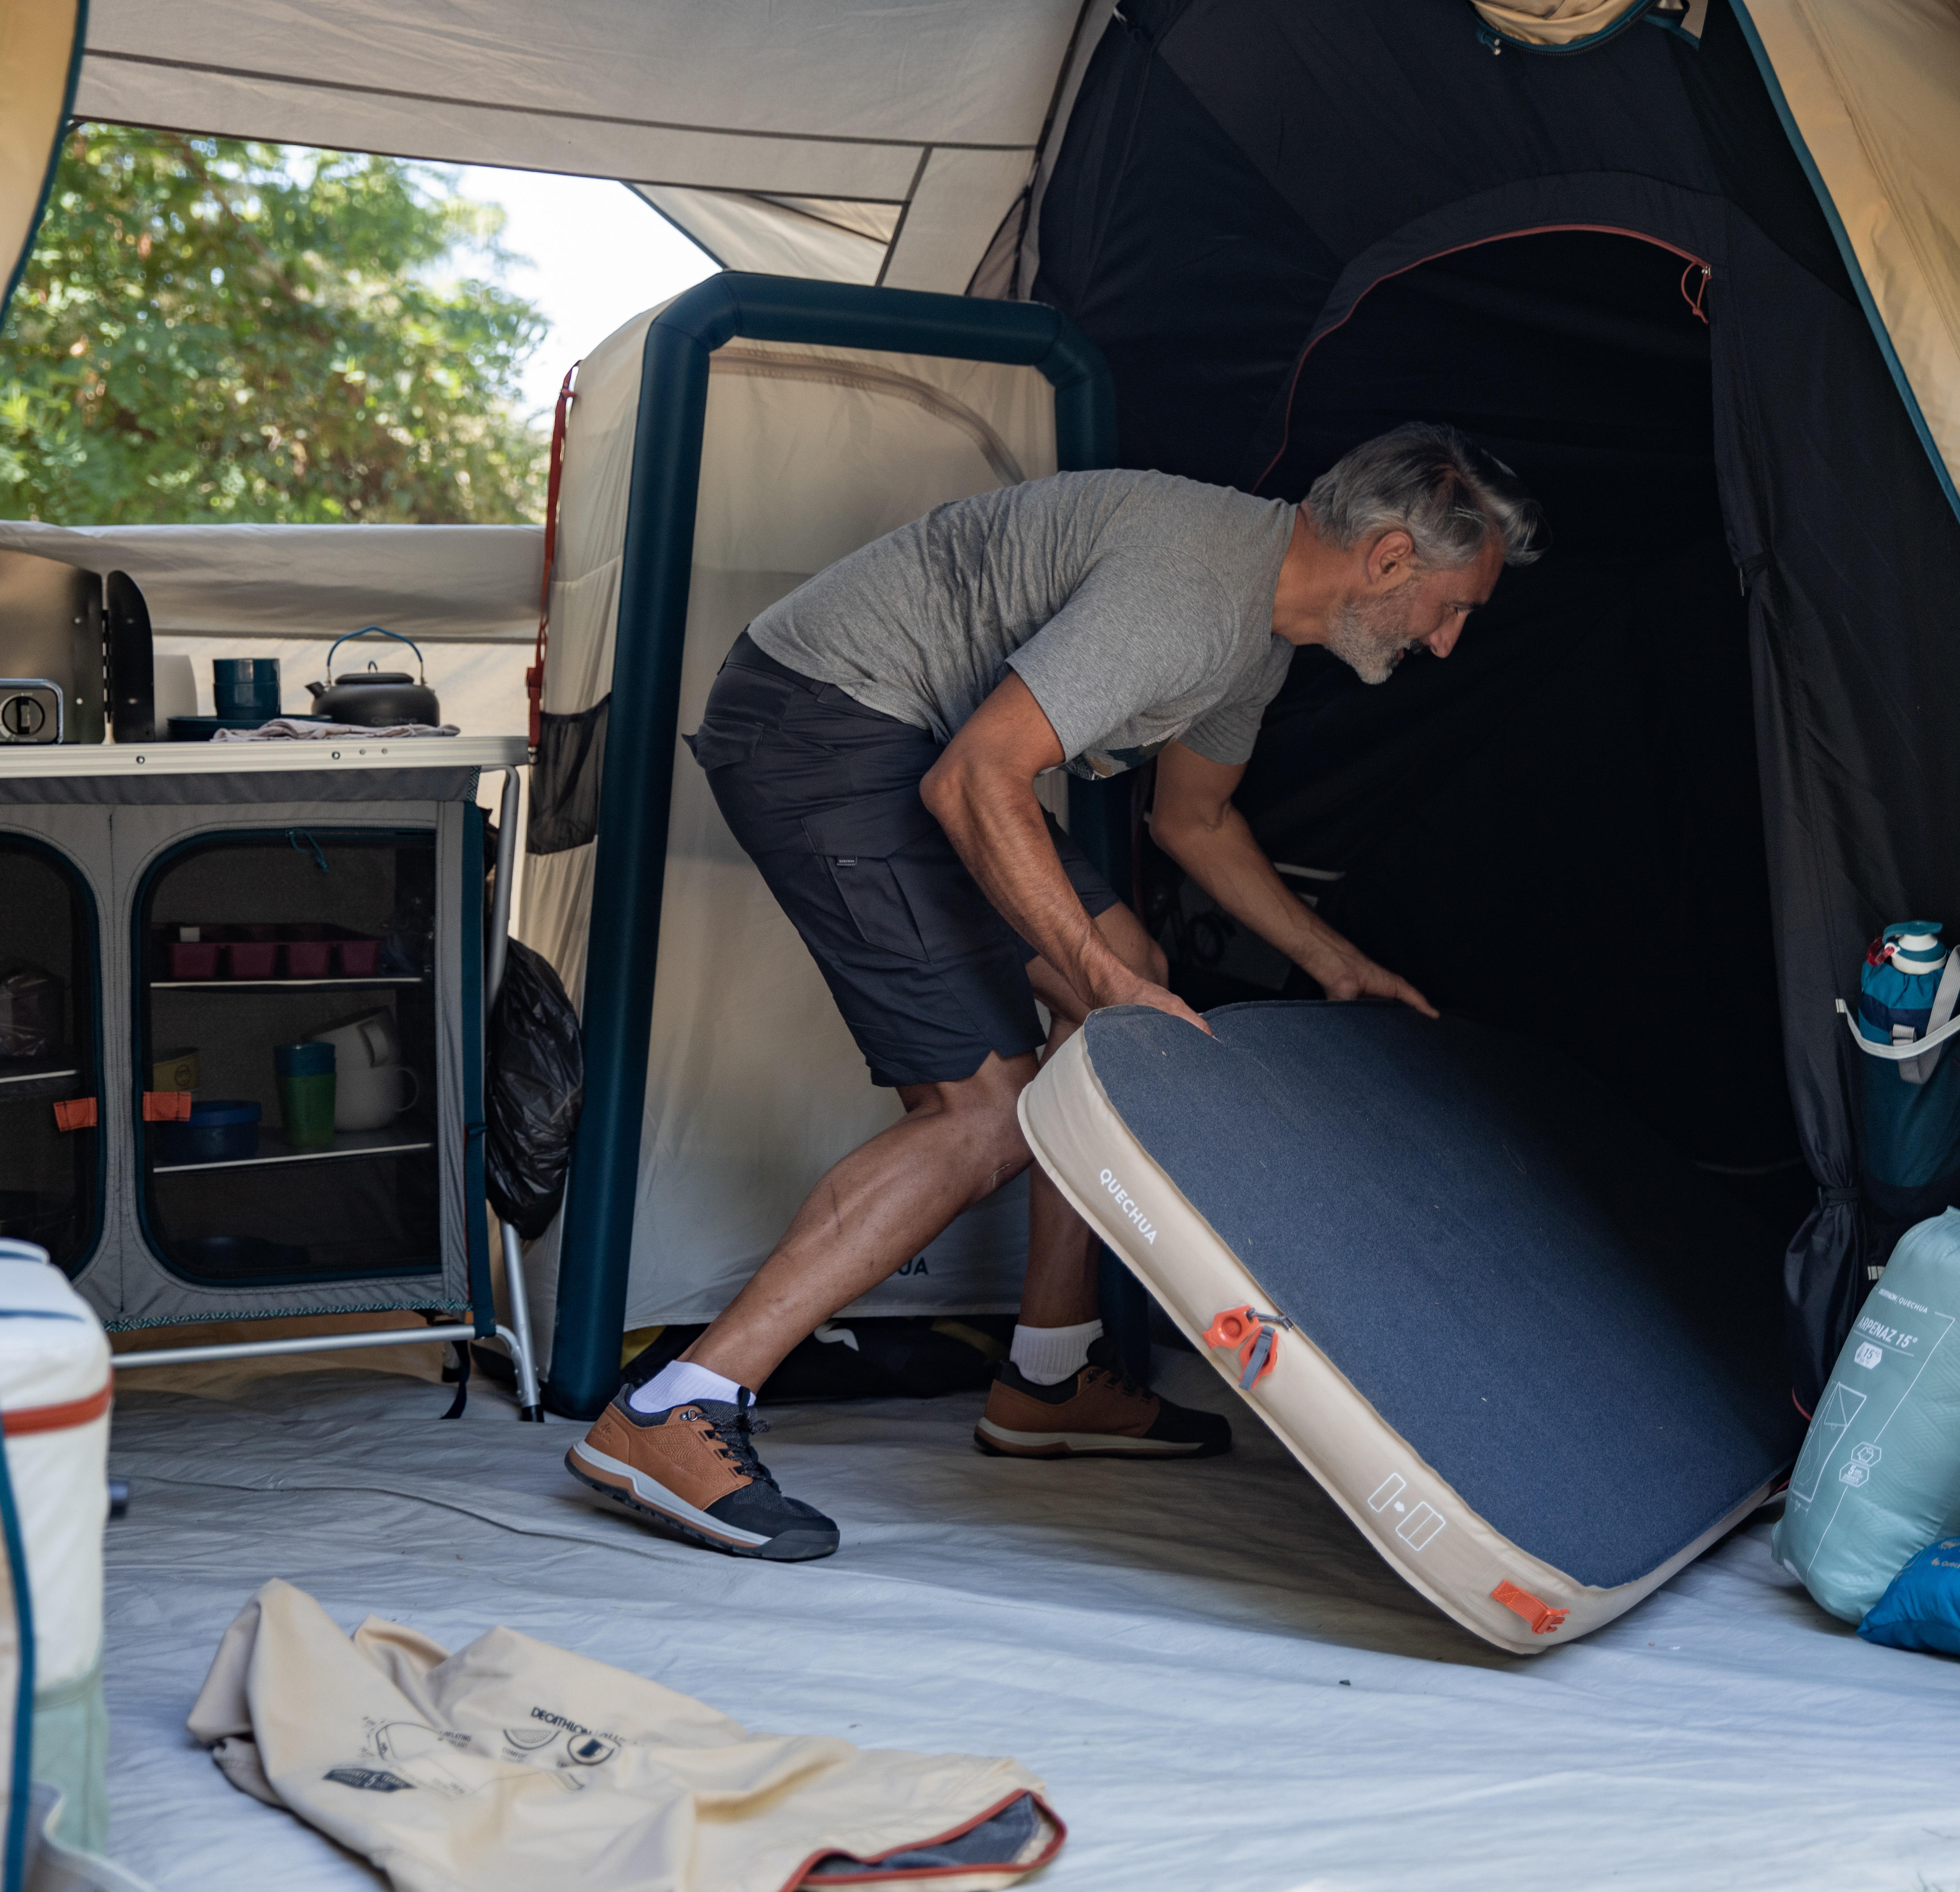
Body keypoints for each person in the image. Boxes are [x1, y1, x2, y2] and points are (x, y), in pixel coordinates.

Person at [562, 422, 1543, 1560]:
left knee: (1128, 978)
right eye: (1454, 606)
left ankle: (1047, 1374)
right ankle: (675, 1406)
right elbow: (976, 776)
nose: (1450, 643)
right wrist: (1102, 977)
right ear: (1386, 559)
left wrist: (1334, 962)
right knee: (984, 1110)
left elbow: (1197, 821)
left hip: (903, 740)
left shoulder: (1259, 636)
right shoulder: (1193, 585)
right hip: (823, 724)